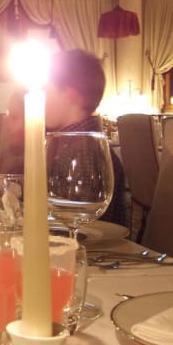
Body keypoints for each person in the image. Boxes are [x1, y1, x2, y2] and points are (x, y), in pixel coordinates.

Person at [44, 49, 128, 227]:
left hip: (90, 242)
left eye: (46, 92)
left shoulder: (84, 152)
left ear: (70, 95)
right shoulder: (66, 144)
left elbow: (82, 226)